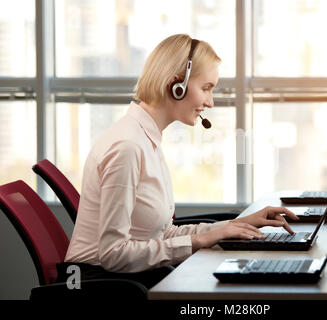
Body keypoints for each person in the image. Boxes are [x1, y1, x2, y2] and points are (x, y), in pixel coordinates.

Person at [60, 34, 298, 289]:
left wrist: (235, 225)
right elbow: (113, 254)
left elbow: (163, 234)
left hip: (127, 278)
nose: (210, 101)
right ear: (177, 85)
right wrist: (202, 240)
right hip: (98, 285)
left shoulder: (146, 138)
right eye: (206, 88)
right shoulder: (127, 147)